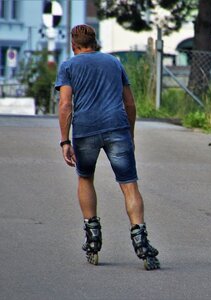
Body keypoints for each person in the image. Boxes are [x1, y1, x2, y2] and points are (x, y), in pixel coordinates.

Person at [55, 24, 160, 270]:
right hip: (117, 128)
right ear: (95, 42)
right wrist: (130, 134)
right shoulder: (114, 63)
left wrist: (64, 140)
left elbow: (65, 105)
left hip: (86, 131)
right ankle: (141, 241)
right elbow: (130, 104)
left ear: (73, 45)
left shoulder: (68, 66)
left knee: (85, 178)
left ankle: (92, 236)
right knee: (129, 185)